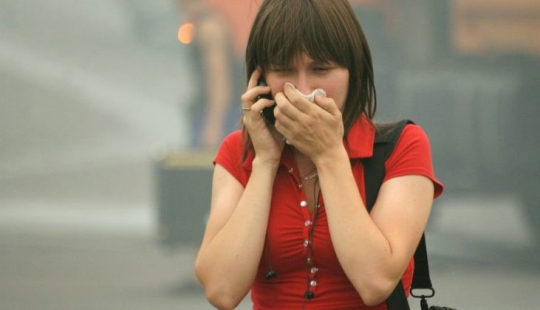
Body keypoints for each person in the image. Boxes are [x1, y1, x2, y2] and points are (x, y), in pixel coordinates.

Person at [194, 0, 444, 309]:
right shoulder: (239, 152)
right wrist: (266, 162)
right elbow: (221, 290)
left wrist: (329, 155)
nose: (303, 89)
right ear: (260, 80)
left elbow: (375, 281)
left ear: (353, 70)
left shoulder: (403, 146)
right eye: (284, 70)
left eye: (321, 69)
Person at [176, 0, 245, 149]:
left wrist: (213, 127)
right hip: (217, 111)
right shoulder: (199, 22)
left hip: (222, 114)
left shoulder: (209, 28)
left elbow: (219, 81)